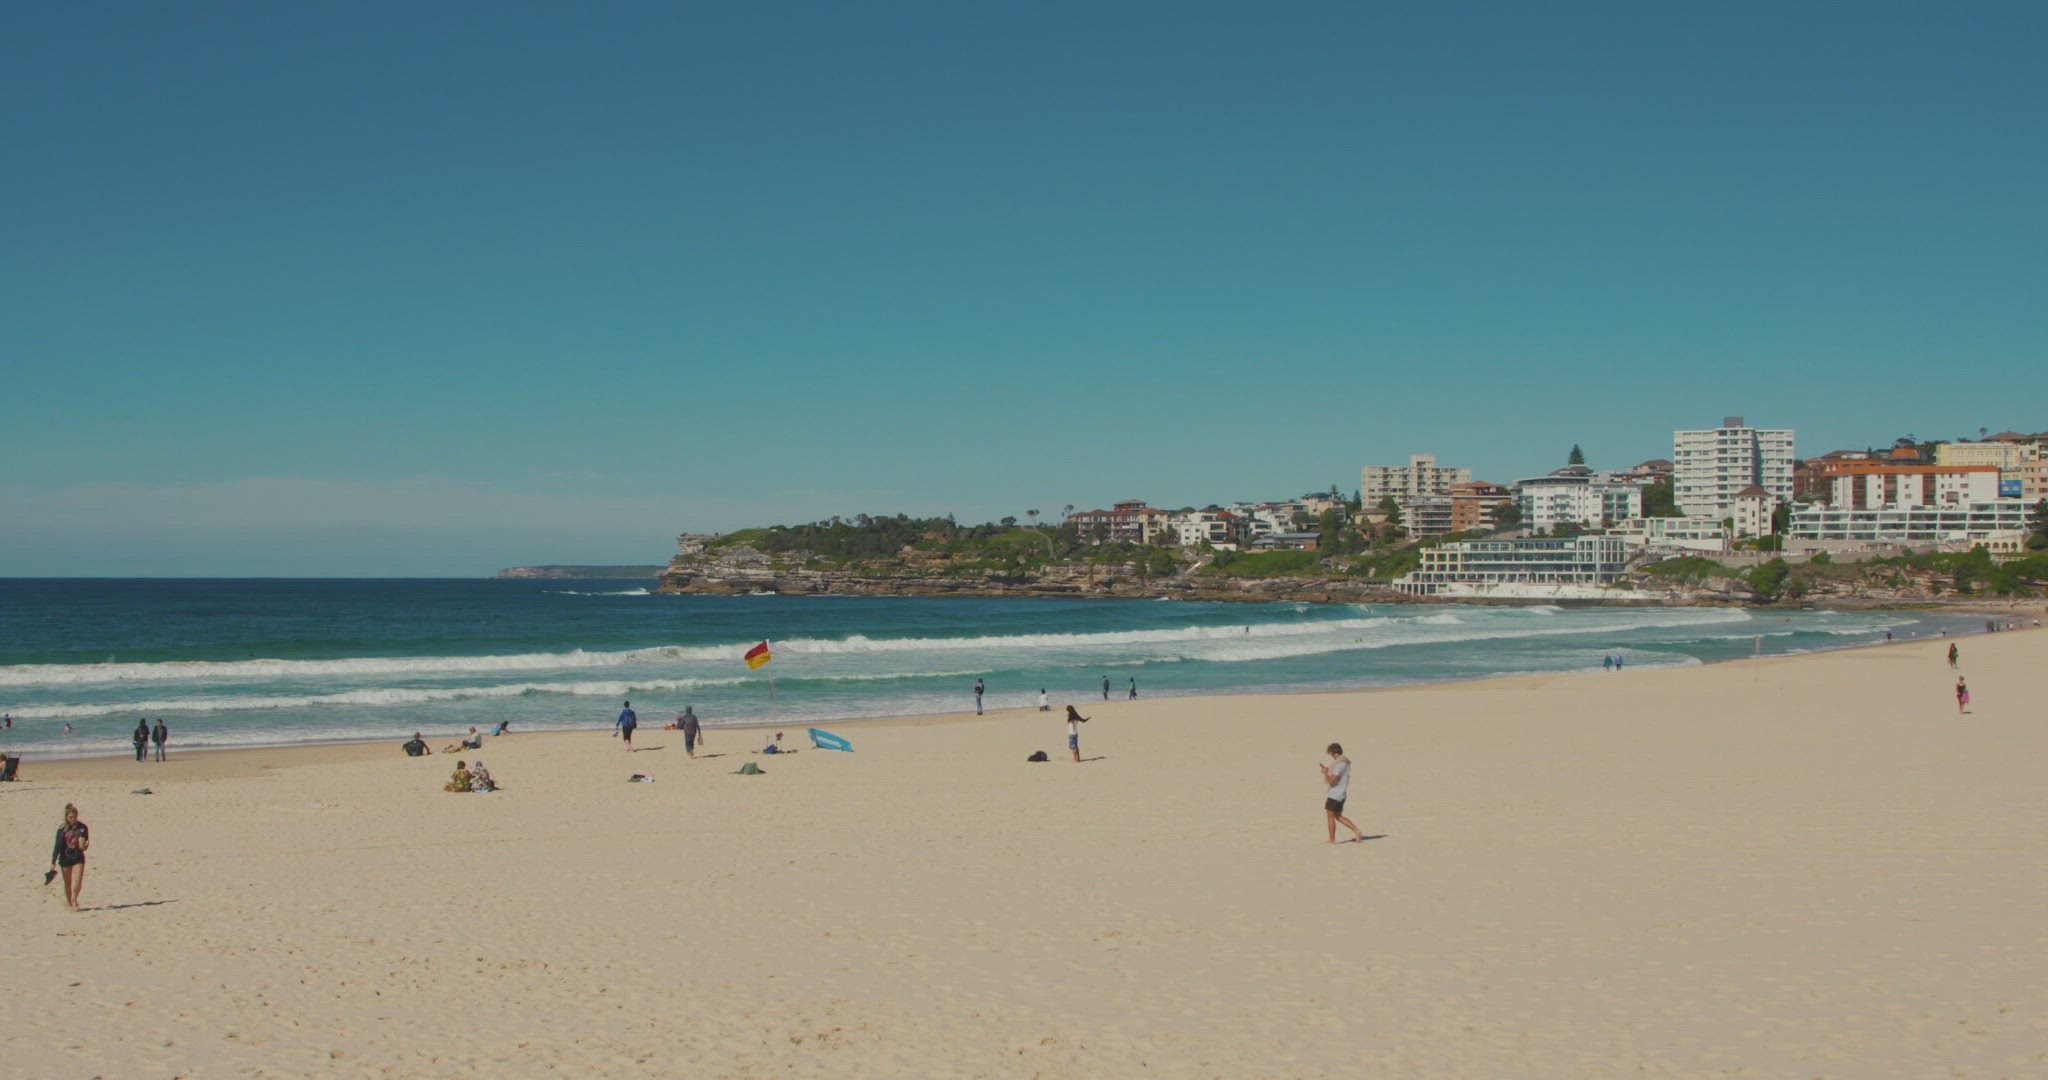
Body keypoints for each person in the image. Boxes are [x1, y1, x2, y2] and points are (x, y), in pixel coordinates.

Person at [1321, 743, 1364, 844]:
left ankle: (1332, 839)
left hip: (1335, 794)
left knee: (1330, 817)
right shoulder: (1345, 762)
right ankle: (1356, 830)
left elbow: (1332, 781)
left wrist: (1325, 773)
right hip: (1341, 793)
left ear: (1333, 753)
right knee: (1338, 816)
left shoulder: (1339, 764)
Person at [52, 803, 90, 910]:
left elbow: (86, 843)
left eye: (74, 817)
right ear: (67, 817)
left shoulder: (83, 828)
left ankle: (74, 900)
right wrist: (53, 861)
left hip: (78, 857)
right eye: (70, 817)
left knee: (78, 882)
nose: (72, 819)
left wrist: (84, 845)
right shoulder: (62, 829)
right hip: (65, 858)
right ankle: (69, 902)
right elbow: (57, 846)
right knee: (67, 883)